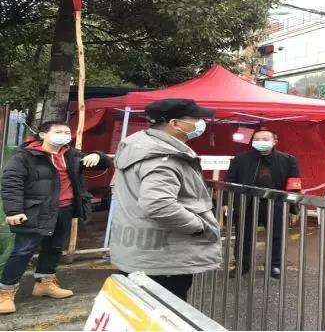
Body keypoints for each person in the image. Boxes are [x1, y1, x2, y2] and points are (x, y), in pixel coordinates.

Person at [109, 98, 222, 301]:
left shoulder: (137, 146)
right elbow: (158, 205)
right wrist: (199, 227)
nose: (200, 123)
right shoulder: (164, 159)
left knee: (140, 309)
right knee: (164, 311)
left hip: (139, 251)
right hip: (163, 259)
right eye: (195, 119)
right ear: (175, 123)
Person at [0, 121, 112, 315]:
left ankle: (44, 283)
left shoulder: (72, 154)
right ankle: (5, 292)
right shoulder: (25, 156)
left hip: (65, 209)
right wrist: (13, 211)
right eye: (58, 131)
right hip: (35, 210)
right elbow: (11, 183)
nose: (64, 135)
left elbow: (103, 163)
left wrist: (98, 155)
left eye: (67, 132)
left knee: (54, 247)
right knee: (23, 250)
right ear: (43, 135)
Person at [226, 128, 301, 279]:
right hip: (246, 202)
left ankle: (275, 265)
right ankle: (242, 265)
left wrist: (293, 206)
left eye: (265, 139)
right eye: (257, 139)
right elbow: (230, 181)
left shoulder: (288, 159)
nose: (260, 142)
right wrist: (227, 202)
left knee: (277, 235)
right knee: (243, 235)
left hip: (276, 203)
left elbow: (294, 184)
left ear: (275, 142)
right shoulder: (240, 159)